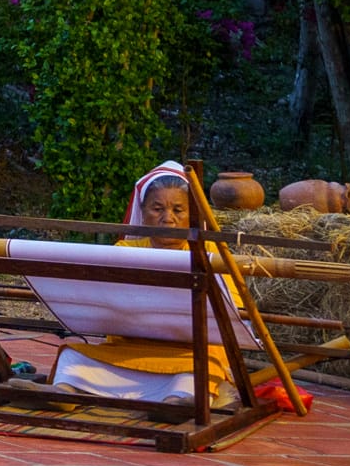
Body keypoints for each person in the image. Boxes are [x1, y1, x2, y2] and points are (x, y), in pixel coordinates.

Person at [45, 161, 248, 408]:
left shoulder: (211, 254)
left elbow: (233, 310)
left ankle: (176, 403)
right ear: (144, 212)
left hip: (190, 353)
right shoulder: (125, 251)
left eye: (178, 210)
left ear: (192, 215)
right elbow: (102, 301)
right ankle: (63, 393)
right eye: (158, 208)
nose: (168, 219)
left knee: (200, 369)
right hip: (131, 350)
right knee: (73, 355)